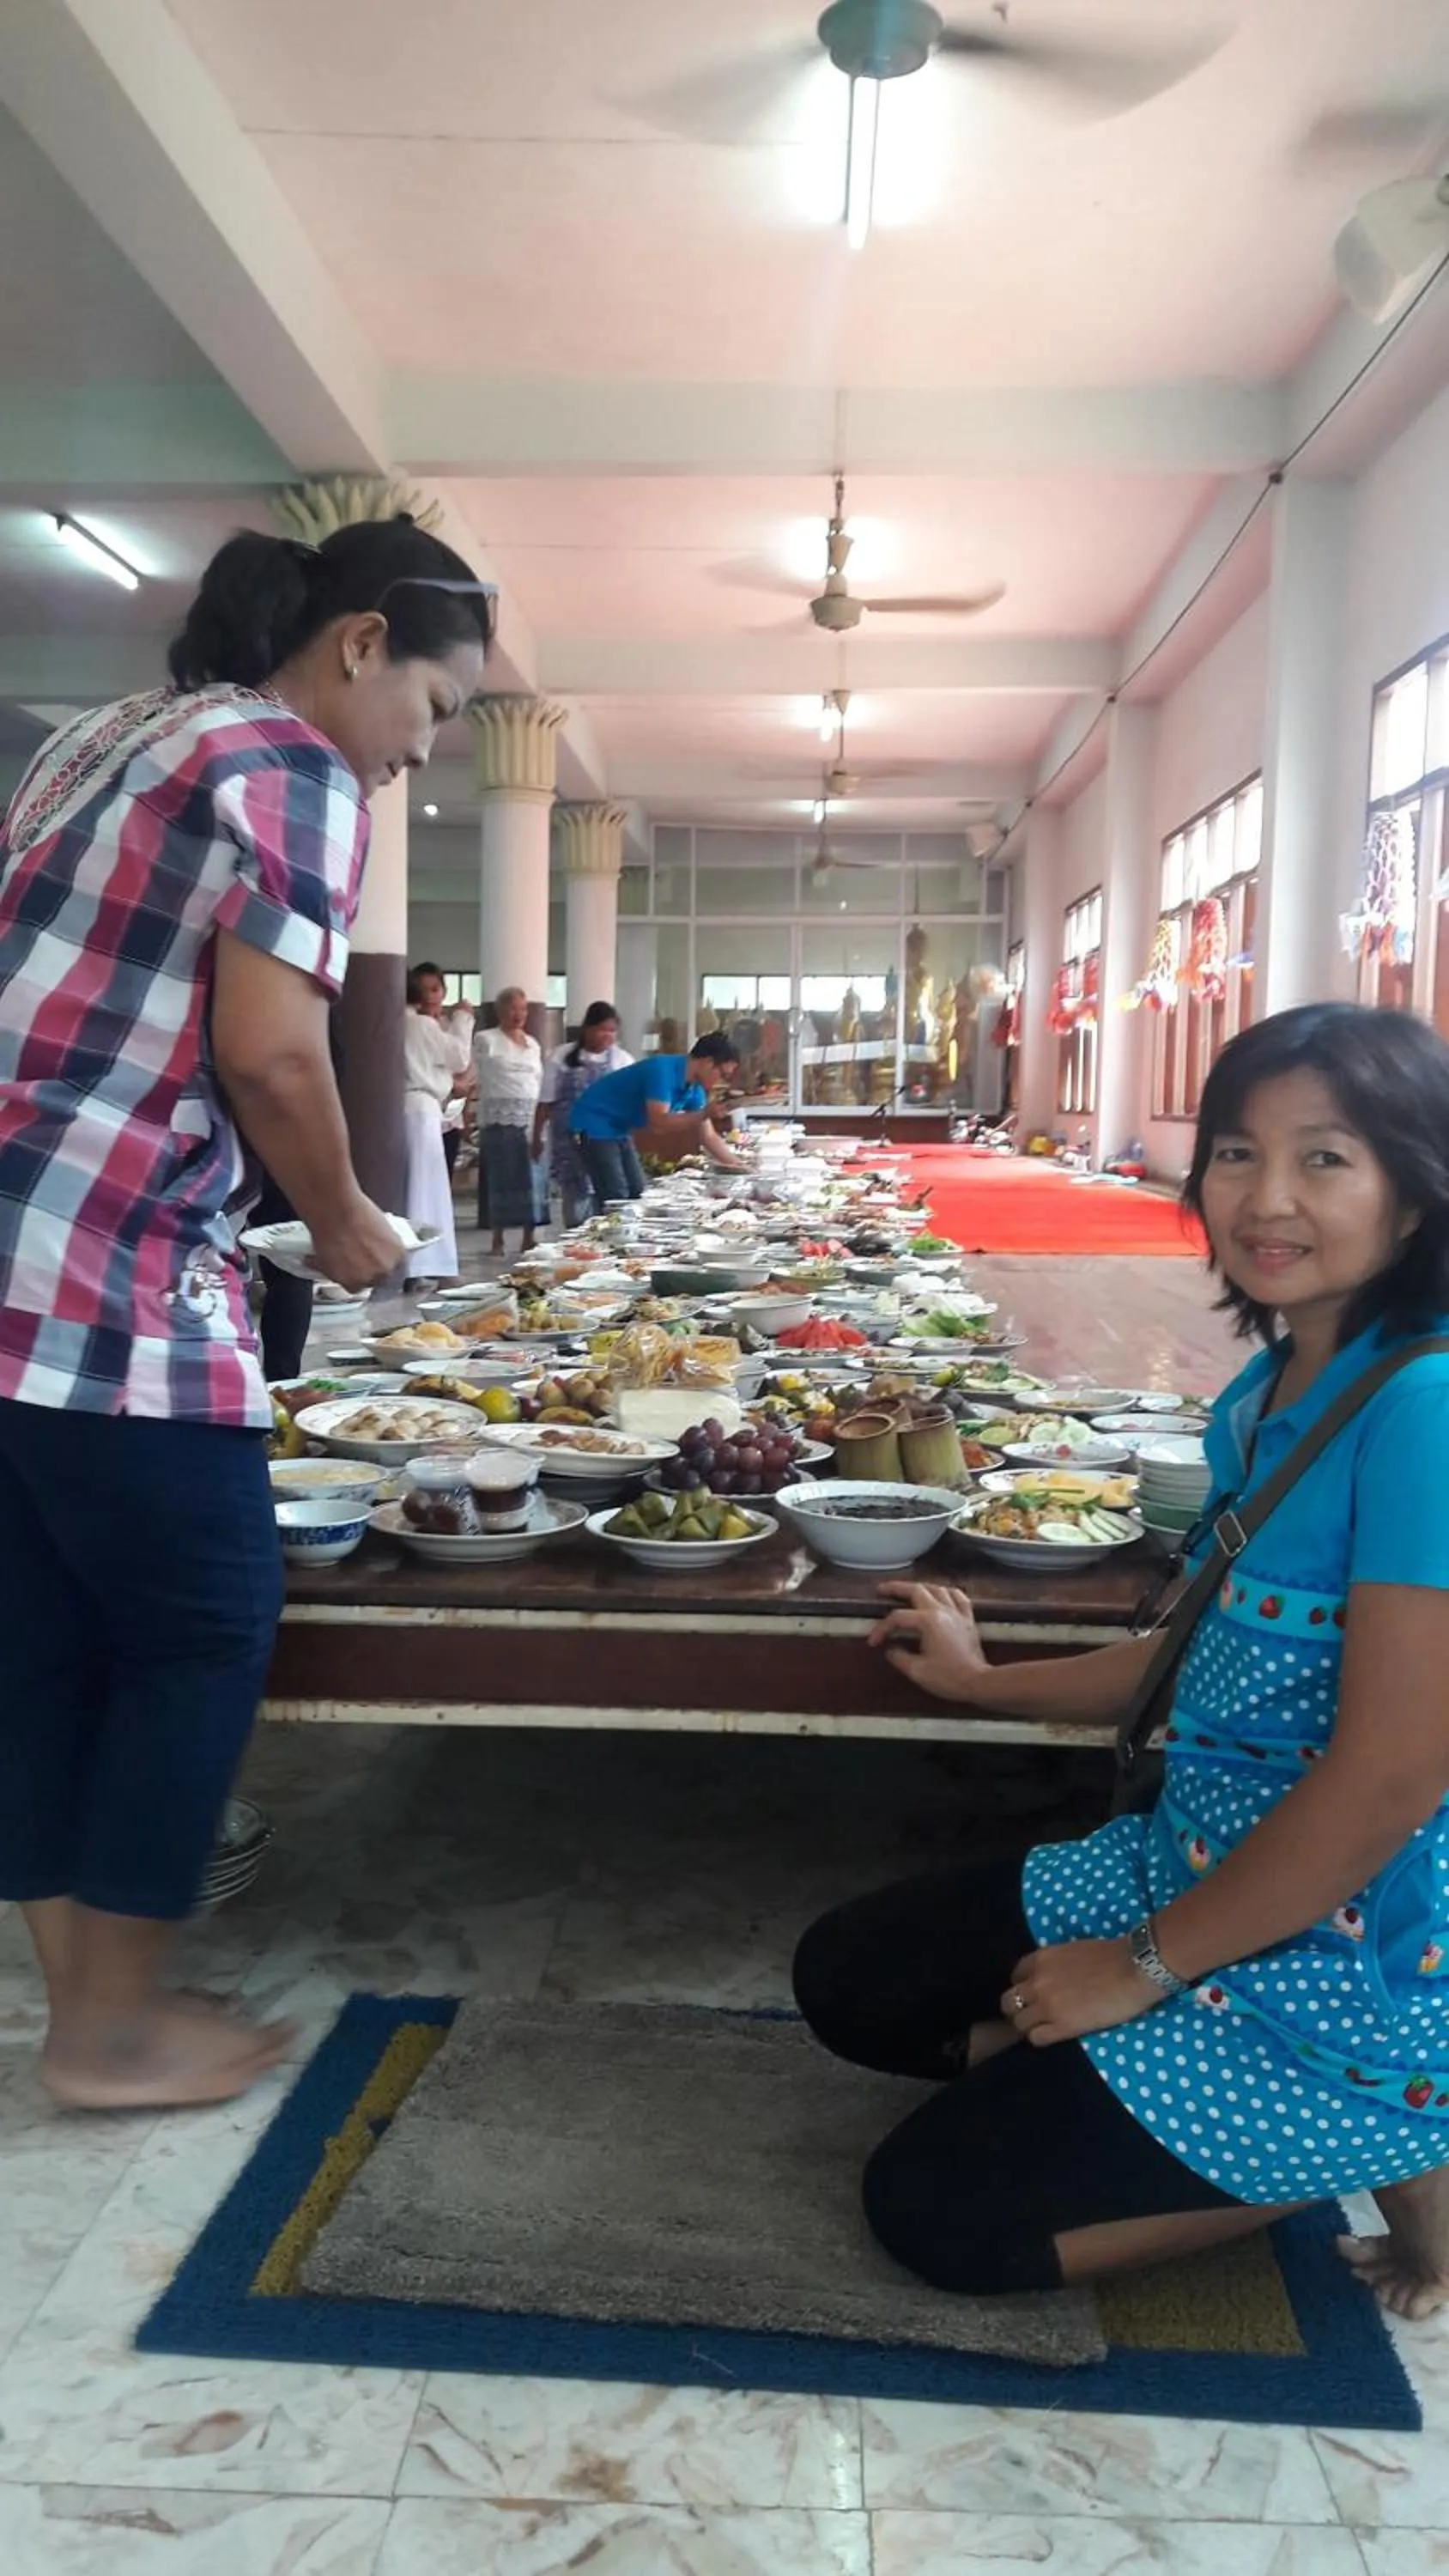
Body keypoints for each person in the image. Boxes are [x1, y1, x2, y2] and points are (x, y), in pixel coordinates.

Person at [795, 1003, 1449, 2319]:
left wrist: (1137, 1968)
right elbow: (1194, 1655)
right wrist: (979, 1684)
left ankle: (1386, 2134)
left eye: (1326, 1158)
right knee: (850, 1977)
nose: (1266, 1198)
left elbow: (1388, 1780)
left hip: (1351, 1955)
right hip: (1192, 1861)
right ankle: (1150, 2080)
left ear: (1420, 1190)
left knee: (936, 2214)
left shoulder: (1426, 1412)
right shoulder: (1275, 1392)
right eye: (1236, 1152)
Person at [0, 513, 493, 2111]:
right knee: (207, 1619)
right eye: (434, 706)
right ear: (360, 645)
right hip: (103, 1255)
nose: (422, 752)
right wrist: (346, 1221)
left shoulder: (110, 735)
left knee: (44, 1637)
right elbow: (272, 1051)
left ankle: (90, 2009)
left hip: (13, 1242)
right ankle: (112, 2028)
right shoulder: (291, 766)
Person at [570, 1030, 746, 1205]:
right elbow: (659, 1122)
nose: (722, 1081)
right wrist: (704, 1113)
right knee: (616, 1194)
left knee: (638, 1191)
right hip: (593, 1121)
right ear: (708, 1063)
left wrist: (740, 1167)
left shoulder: (694, 1088)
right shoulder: (662, 1071)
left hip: (618, 1127)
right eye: (723, 1075)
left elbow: (708, 1136)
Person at [531, 1000, 633, 1230]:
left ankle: (607, 1235)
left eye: (612, 1031)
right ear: (587, 1028)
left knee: (608, 1190)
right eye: (602, 1029)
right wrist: (537, 1137)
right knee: (575, 1196)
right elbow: (546, 1102)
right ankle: (578, 1239)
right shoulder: (560, 1057)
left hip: (607, 1140)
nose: (607, 1036)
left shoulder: (622, 1060)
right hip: (569, 1141)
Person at [403, 962, 473, 1283]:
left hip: (416, 1109)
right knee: (426, 1189)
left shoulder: (406, 1023)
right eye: (425, 989)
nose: (431, 996)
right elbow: (459, 1058)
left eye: (436, 989)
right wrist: (464, 1019)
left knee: (418, 1186)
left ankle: (419, 1266)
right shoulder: (420, 1024)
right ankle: (424, 1265)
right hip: (421, 1108)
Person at [476, 984, 544, 1255]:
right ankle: (498, 1239)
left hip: (530, 1118)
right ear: (499, 1010)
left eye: (523, 1009)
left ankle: (529, 1236)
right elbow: (480, 1075)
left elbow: (537, 1079)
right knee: (501, 1179)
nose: (519, 1014)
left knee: (531, 1178)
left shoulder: (533, 1044)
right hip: (499, 1119)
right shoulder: (486, 1039)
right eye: (513, 1008)